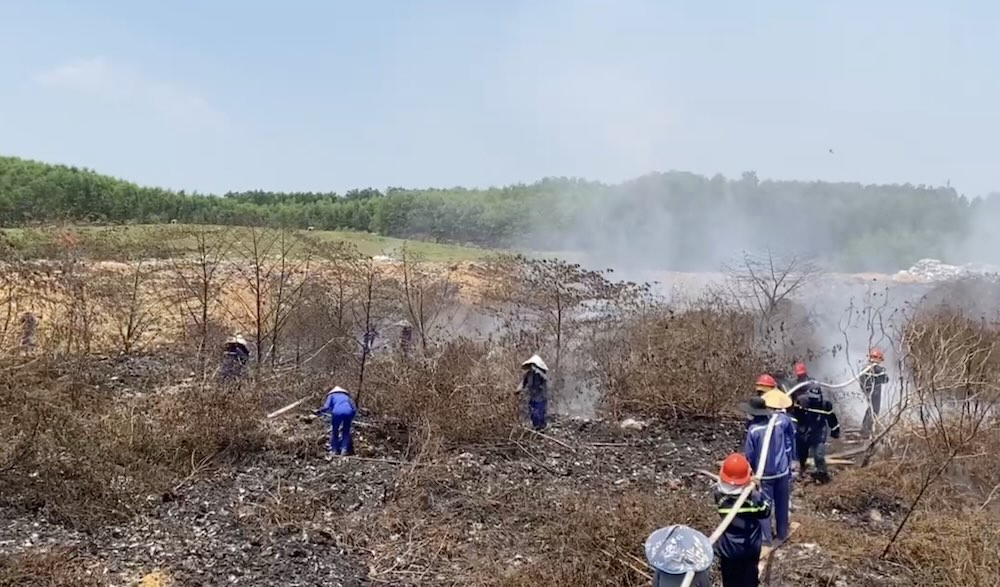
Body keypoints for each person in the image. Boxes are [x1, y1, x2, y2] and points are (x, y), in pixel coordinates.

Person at [743, 390, 794, 545]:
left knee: (764, 507)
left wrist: (750, 475)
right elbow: (789, 442)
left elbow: (749, 456)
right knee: (782, 503)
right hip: (783, 471)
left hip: (764, 475)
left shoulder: (754, 431)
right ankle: (782, 533)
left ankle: (766, 539)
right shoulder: (780, 422)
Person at [715, 453, 773, 587]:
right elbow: (766, 511)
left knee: (729, 581)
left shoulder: (719, 496)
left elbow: (723, 487)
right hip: (749, 548)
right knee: (749, 579)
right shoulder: (754, 498)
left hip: (728, 549)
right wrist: (759, 488)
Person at [793, 382, 841, 483]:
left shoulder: (825, 405)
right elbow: (794, 417)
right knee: (802, 454)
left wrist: (835, 430)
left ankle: (822, 474)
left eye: (816, 398)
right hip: (803, 432)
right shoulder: (801, 401)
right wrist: (794, 429)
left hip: (818, 432)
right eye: (812, 398)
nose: (814, 400)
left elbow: (832, 419)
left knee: (819, 455)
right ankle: (802, 469)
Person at [315, 386, 357, 456]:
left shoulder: (331, 396)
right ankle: (344, 450)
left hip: (337, 412)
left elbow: (326, 407)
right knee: (346, 431)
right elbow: (354, 408)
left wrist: (319, 411)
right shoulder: (347, 397)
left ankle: (334, 450)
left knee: (335, 431)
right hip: (348, 412)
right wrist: (352, 416)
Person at [859, 348, 889, 439]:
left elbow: (885, 379)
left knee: (871, 409)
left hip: (871, 390)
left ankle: (865, 427)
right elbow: (886, 379)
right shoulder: (873, 369)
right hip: (874, 391)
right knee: (874, 410)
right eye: (879, 359)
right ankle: (867, 430)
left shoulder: (869, 368)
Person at [518, 354, 549, 430]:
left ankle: (541, 429)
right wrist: (517, 391)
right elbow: (522, 384)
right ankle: (536, 429)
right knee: (532, 414)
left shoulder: (542, 375)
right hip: (532, 397)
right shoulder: (528, 375)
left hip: (541, 398)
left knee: (539, 414)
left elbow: (546, 384)